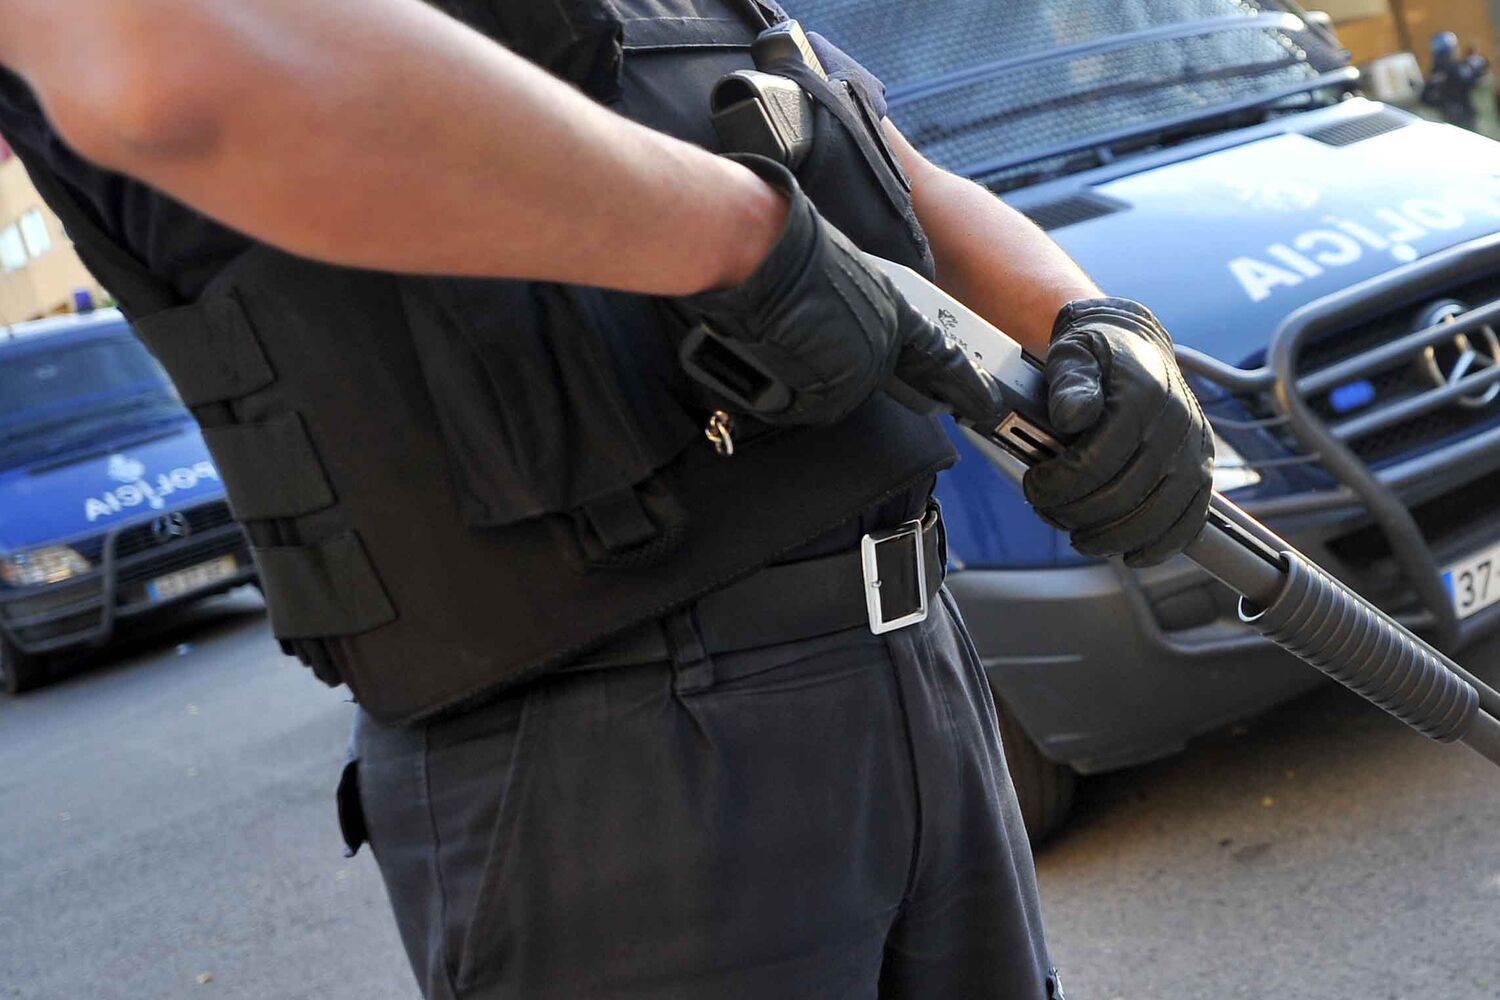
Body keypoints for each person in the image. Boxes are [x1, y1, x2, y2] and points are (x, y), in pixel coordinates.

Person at [0, 1, 1212, 997]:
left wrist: (1096, 323)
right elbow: (166, 64)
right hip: (608, 752)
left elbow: (868, 152)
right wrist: (745, 243)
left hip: (914, 669)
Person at [1422, 30, 1490, 131]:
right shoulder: (1454, 69)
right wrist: (1477, 70)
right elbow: (1470, 82)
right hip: (1465, 116)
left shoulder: (1434, 72)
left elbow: (1424, 97)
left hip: (1447, 117)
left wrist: (1442, 105)